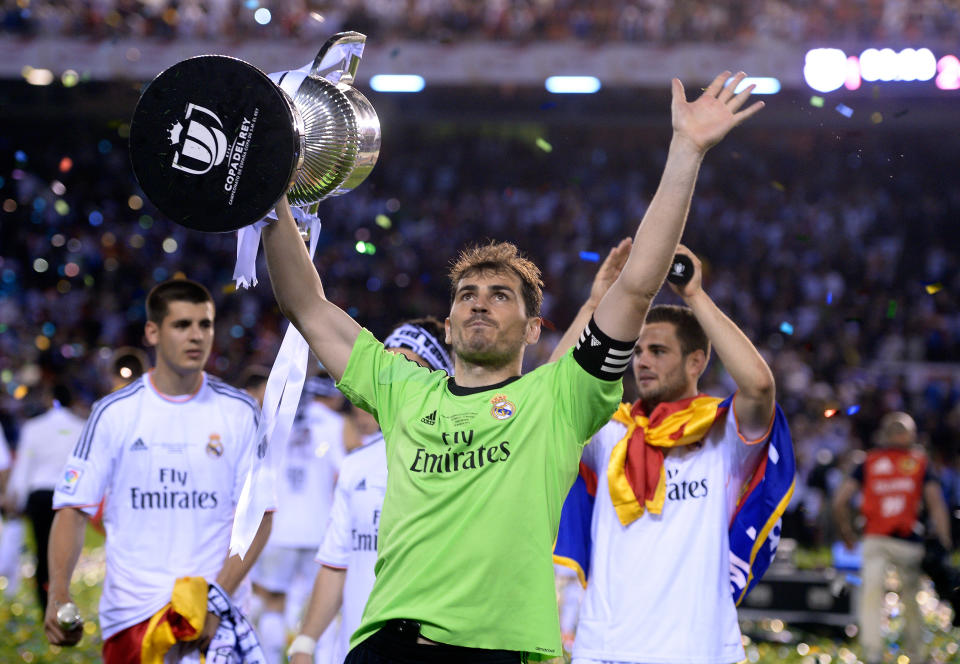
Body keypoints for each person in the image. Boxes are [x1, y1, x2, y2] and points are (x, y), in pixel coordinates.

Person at [259, 71, 763, 663]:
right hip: (388, 646)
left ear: (531, 330)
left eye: (500, 295)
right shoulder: (401, 388)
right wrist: (271, 191)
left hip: (500, 651)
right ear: (446, 326)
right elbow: (306, 305)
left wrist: (686, 151)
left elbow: (637, 288)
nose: (478, 300)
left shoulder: (557, 398)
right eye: (466, 293)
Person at [550, 244, 794, 664]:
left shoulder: (723, 434)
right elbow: (548, 403)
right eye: (638, 351)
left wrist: (695, 296)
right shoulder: (612, 433)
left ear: (696, 361)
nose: (641, 362)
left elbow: (759, 387)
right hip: (603, 648)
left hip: (697, 650)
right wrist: (595, 305)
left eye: (658, 351)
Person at [45, 278, 274, 663]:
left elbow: (259, 516)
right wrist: (59, 594)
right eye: (182, 325)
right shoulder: (113, 414)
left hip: (212, 619)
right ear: (152, 332)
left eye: (205, 324)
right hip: (132, 619)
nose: (197, 336)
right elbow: (73, 509)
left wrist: (215, 602)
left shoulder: (240, 412)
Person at [287, 318, 454, 664]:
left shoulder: (467, 462)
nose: (396, 380)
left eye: (409, 368)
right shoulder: (357, 465)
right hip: (357, 652)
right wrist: (305, 642)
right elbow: (337, 563)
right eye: (388, 367)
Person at [832, 411, 954, 664]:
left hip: (875, 539)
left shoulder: (869, 462)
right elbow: (936, 504)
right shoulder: (919, 462)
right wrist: (944, 541)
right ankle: (916, 654)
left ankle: (873, 654)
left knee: (870, 598)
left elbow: (840, 501)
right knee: (911, 600)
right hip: (908, 540)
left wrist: (846, 533)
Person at [251, 372, 347, 664]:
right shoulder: (335, 425)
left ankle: (270, 658)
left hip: (278, 529)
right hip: (319, 530)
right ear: (331, 395)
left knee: (273, 600)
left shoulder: (276, 422)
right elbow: (345, 472)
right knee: (324, 605)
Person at [2, 384, 86, 614]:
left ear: (50, 398)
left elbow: (24, 467)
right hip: (69, 496)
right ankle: (63, 601)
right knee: (67, 552)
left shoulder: (34, 427)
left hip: (40, 497)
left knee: (42, 551)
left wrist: (14, 498)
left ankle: (46, 605)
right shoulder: (80, 427)